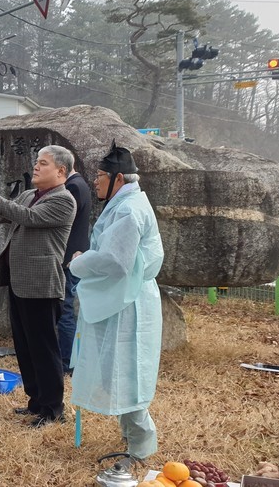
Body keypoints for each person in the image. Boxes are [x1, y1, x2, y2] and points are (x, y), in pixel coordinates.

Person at [68, 141, 164, 464]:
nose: (95, 181)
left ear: (118, 179)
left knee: (128, 374)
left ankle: (140, 446)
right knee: (122, 372)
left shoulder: (128, 209)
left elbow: (114, 260)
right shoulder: (129, 202)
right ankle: (134, 438)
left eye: (99, 176)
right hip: (127, 298)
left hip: (129, 303)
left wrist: (80, 262)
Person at [0, 145, 76, 428]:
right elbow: (6, 215)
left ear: (61, 171)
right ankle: (35, 401)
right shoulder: (30, 195)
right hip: (20, 281)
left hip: (42, 284)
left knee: (44, 348)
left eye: (43, 163)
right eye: (36, 162)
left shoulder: (64, 200)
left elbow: (27, 217)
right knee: (26, 346)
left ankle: (53, 409)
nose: (36, 167)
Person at [57, 163, 92, 375]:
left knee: (65, 310)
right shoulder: (79, 184)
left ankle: (67, 361)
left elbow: (68, 224)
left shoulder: (74, 187)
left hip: (70, 256)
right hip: (72, 255)